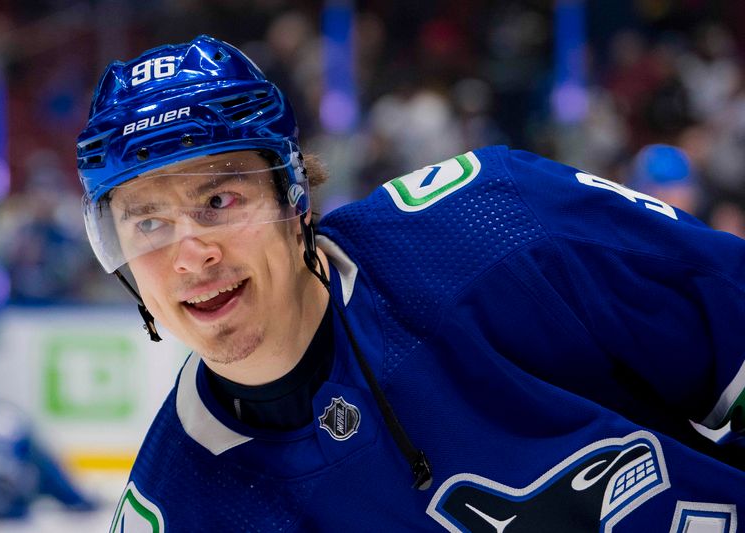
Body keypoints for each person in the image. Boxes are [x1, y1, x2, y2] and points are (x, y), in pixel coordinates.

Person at [77, 35, 745, 532]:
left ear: (294, 196)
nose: (190, 255)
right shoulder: (177, 510)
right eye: (147, 224)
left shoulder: (497, 225)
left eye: (220, 200)